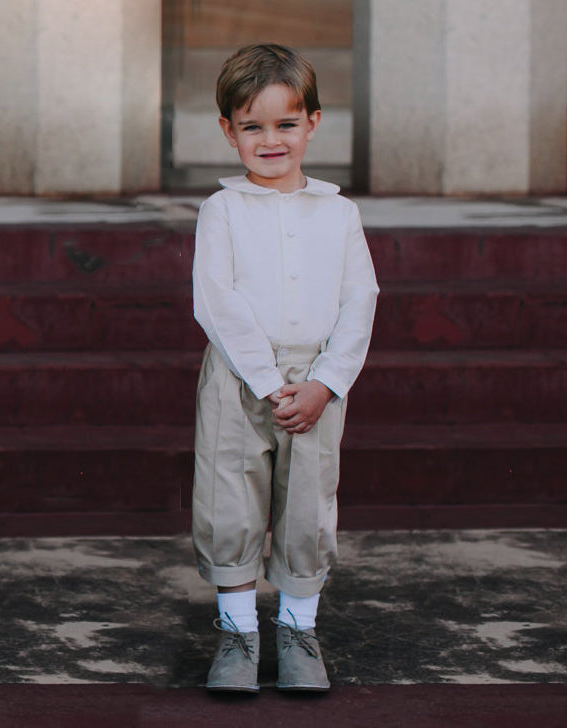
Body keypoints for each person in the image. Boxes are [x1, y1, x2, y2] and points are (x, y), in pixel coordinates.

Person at [192, 43, 378, 693]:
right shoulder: (221, 211)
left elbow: (360, 299)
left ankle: (298, 629)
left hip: (319, 383)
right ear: (227, 131)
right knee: (229, 503)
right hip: (240, 380)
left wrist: (326, 382)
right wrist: (270, 385)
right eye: (252, 126)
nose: (270, 139)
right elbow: (216, 301)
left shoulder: (338, 212)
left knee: (306, 508)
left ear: (314, 122)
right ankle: (238, 634)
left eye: (285, 123)